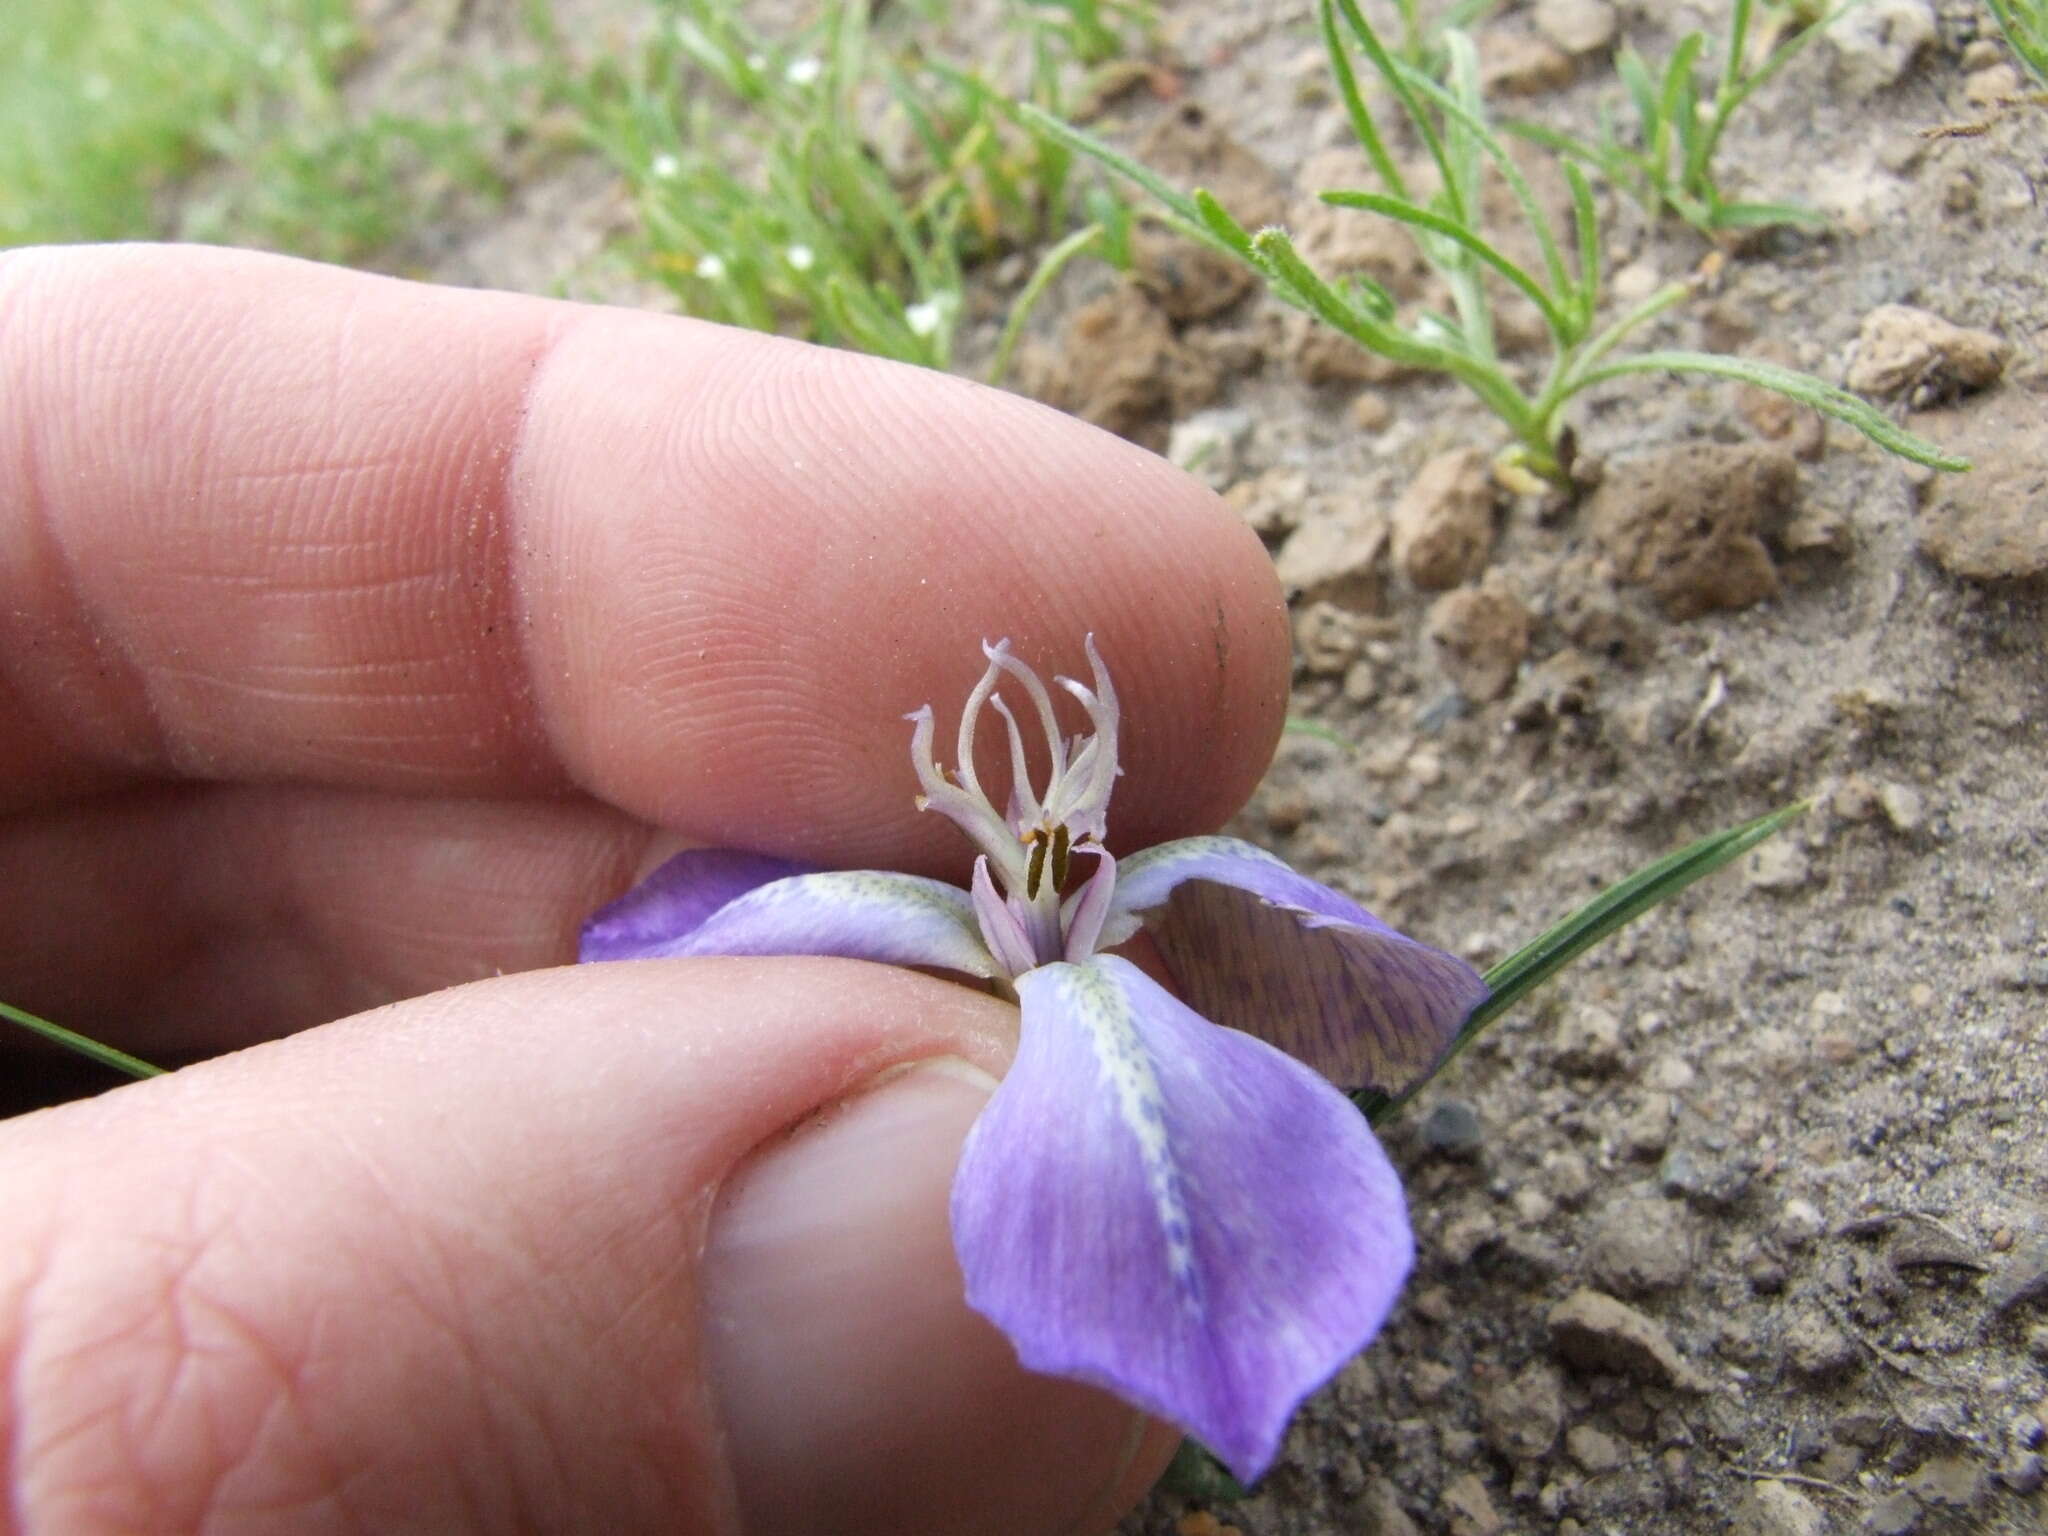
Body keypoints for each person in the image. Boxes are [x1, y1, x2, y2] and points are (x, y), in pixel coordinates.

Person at [0, 245, 1292, 1534]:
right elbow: (655, 942)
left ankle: (1218, 1376)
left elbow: (1376, 979)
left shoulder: (1117, 923)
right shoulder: (922, 907)